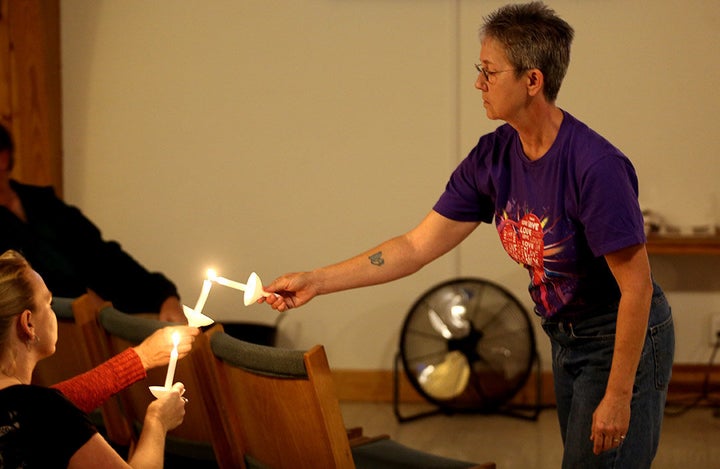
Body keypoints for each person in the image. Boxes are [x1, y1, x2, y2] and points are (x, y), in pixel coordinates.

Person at [260, 3, 674, 468]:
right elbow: (415, 247)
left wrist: (619, 394)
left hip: (620, 333)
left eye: (489, 72)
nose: (478, 82)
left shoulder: (595, 167)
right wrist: (317, 281)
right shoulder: (492, 157)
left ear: (532, 81)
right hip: (565, 335)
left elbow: (636, 288)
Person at [0, 250, 189, 468]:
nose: (52, 312)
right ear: (28, 323)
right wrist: (157, 422)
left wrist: (141, 357)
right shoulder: (46, 410)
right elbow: (49, 410)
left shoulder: (35, 409)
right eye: (48, 303)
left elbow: (50, 405)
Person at [0, 123, 185, 323]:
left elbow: (103, 254)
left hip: (110, 317)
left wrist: (164, 296)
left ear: (4, 157)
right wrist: (80, 299)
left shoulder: (43, 202)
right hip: (50, 332)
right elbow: (18, 286)